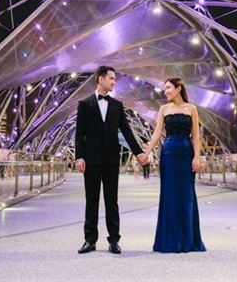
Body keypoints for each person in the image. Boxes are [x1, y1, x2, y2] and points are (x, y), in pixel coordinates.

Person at [75, 65, 148, 255]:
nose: (114, 82)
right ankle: (90, 240)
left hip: (111, 160)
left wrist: (138, 152)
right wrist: (79, 156)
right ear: (100, 79)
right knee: (91, 201)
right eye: (111, 78)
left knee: (112, 201)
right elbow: (79, 133)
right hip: (91, 159)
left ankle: (114, 240)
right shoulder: (85, 104)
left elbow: (127, 131)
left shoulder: (117, 105)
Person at [144, 77, 206, 253]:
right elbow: (157, 133)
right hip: (169, 154)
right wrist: (146, 153)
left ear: (178, 89)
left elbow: (196, 136)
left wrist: (197, 157)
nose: (166, 91)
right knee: (169, 194)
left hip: (186, 154)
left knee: (187, 195)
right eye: (165, 88)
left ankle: (188, 240)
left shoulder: (191, 109)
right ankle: (169, 240)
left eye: (168, 88)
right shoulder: (164, 109)